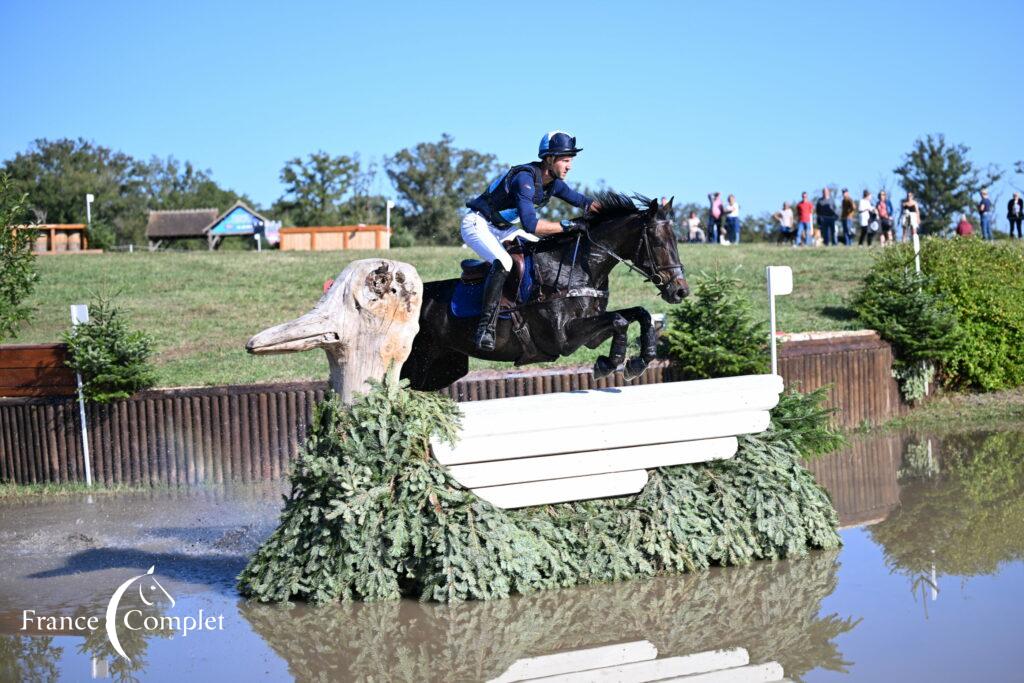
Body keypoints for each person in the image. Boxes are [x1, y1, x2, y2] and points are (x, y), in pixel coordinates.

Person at [463, 130, 598, 351]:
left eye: (570, 160)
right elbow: (531, 225)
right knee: (505, 262)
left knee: (539, 250)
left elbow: (583, 201)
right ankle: (485, 328)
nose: (569, 165)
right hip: (477, 224)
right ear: (549, 159)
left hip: (501, 229)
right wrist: (567, 226)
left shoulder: (553, 184)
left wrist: (619, 213)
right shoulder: (524, 178)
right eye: (565, 160)